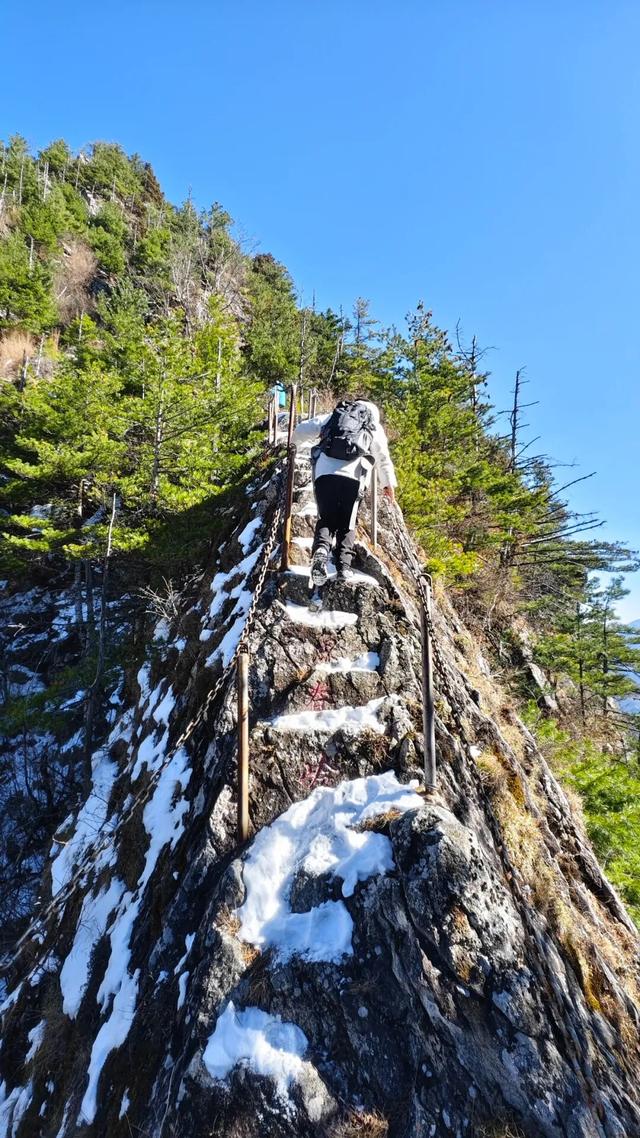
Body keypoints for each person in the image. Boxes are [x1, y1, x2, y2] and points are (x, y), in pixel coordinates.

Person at [292, 398, 397, 585]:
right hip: (354, 476)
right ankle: (343, 568)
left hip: (325, 472)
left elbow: (302, 429)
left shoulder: (336, 416)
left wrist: (293, 446)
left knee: (326, 517)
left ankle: (322, 550)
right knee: (347, 522)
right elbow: (382, 457)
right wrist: (388, 484)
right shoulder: (372, 424)